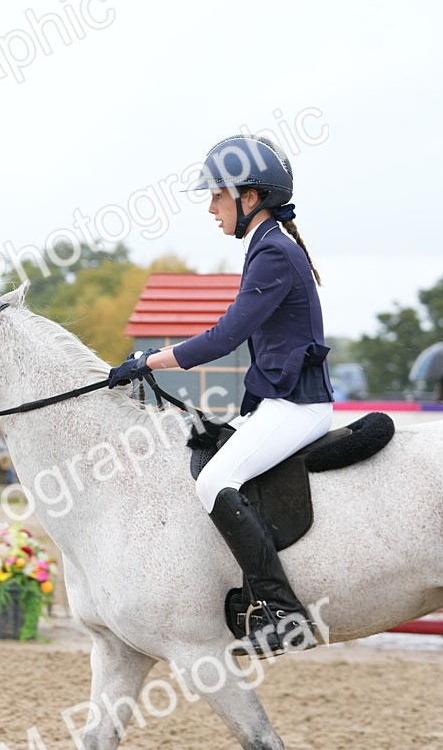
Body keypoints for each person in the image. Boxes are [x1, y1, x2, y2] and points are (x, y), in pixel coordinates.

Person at [108, 134, 332, 655]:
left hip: (297, 406)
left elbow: (224, 337)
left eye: (217, 196)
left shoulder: (273, 251)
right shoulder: (268, 245)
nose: (210, 207)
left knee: (213, 481)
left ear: (249, 198)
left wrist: (147, 361)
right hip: (277, 403)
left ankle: (282, 612)